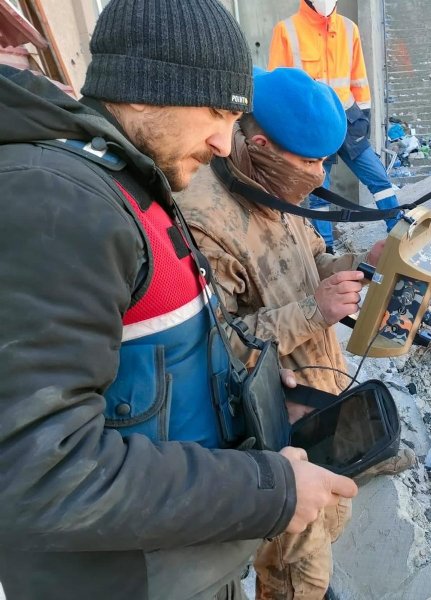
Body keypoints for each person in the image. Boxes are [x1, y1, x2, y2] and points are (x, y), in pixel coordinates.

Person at [0, 0, 357, 598]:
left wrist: (256, 384)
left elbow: (156, 361)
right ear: (142, 91)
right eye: (216, 112)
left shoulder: (123, 178)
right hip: (128, 576)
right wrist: (267, 490)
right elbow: (42, 473)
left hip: (175, 552)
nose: (225, 142)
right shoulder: (56, 200)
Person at [179, 68, 415, 600]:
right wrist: (315, 311)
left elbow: (313, 259)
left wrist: (359, 262)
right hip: (272, 430)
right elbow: (214, 342)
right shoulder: (205, 218)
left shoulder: (276, 185)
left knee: (329, 519)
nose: (319, 172)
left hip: (318, 399)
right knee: (297, 570)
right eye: (309, 160)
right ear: (260, 144)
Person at [268, 0, 400, 254]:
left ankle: (397, 230)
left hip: (348, 120)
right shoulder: (286, 30)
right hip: (312, 124)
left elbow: (359, 78)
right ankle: (326, 249)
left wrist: (364, 120)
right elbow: (279, 86)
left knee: (378, 178)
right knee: (319, 191)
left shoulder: (349, 29)